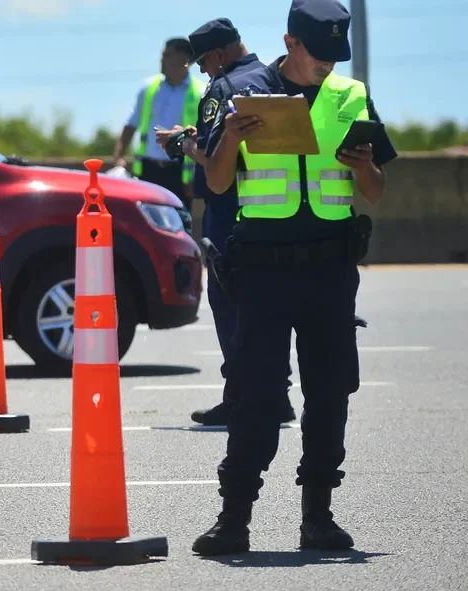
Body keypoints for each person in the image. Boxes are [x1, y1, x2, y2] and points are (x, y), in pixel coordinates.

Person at [191, 0, 397, 557]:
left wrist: (363, 168)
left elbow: (375, 190)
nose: (329, 65)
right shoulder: (246, 93)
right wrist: (231, 135)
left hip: (331, 271)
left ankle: (319, 518)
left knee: (331, 394)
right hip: (264, 271)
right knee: (255, 396)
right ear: (290, 43)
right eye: (319, 54)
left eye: (336, 55)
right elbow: (214, 182)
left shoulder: (350, 97)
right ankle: (234, 519)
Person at [156, 19, 295, 427]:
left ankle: (240, 398)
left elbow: (218, 158)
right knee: (266, 306)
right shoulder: (273, 76)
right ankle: (276, 395)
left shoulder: (223, 87)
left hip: (226, 214)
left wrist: (182, 143)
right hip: (268, 208)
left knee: (230, 304)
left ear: (218, 54)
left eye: (203, 61)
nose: (200, 70)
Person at [112, 37, 208, 204]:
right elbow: (131, 124)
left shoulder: (200, 92)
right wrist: (119, 156)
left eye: (167, 55)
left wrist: (195, 175)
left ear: (185, 60)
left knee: (179, 223)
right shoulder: (148, 88)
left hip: (179, 174)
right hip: (148, 170)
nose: (161, 59)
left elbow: (204, 137)